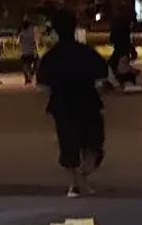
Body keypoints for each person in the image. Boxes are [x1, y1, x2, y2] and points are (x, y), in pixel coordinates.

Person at [35, 14, 109, 194]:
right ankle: (83, 177)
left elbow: (42, 87)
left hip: (62, 105)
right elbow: (102, 79)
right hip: (88, 102)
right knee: (94, 144)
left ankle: (75, 182)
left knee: (68, 145)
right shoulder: (87, 53)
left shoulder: (50, 57)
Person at [17, 19, 41, 84]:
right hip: (31, 51)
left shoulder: (21, 33)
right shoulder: (31, 32)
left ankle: (26, 78)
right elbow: (34, 42)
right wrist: (36, 49)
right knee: (35, 63)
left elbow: (18, 42)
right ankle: (31, 74)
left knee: (25, 65)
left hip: (23, 52)